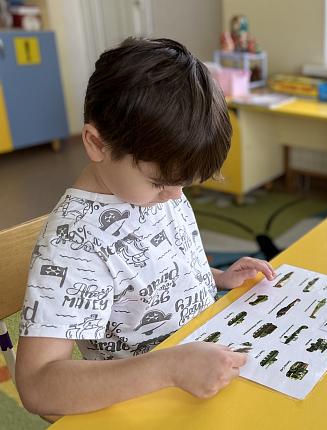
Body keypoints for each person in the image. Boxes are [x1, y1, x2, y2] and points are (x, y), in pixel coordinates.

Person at [15, 37, 275, 416]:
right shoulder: (75, 244)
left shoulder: (149, 188)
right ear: (96, 144)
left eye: (183, 184)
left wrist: (215, 276)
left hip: (198, 369)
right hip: (142, 405)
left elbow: (151, 272)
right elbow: (38, 385)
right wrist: (168, 368)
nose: (174, 196)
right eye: (161, 183)